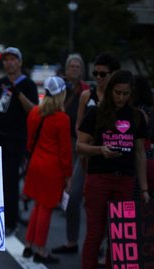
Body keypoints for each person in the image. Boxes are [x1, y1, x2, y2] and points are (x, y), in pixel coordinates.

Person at [76, 70, 150, 269]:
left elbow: (140, 153)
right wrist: (100, 150)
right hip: (99, 177)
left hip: (125, 180)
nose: (121, 98)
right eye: (117, 92)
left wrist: (145, 188)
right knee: (96, 231)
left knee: (119, 233)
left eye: (125, 94)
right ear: (110, 91)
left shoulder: (136, 117)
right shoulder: (96, 112)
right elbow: (80, 145)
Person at [53, 52, 120, 256]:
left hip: (109, 156)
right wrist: (85, 141)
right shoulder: (86, 95)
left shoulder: (117, 97)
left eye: (103, 74)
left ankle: (104, 246)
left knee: (105, 203)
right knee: (73, 196)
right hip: (85, 153)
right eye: (96, 73)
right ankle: (72, 241)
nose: (99, 77)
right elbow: (78, 124)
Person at [0, 47, 38, 235]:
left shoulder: (28, 84)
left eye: (12, 59)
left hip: (16, 137)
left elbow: (33, 110)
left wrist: (18, 93)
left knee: (10, 180)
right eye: (6, 60)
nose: (9, 63)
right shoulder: (0, 82)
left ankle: (10, 221)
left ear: (20, 62)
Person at [21, 76, 72, 263]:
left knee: (38, 206)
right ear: (61, 95)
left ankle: (28, 245)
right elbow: (65, 151)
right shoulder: (62, 119)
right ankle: (40, 250)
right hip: (52, 168)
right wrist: (68, 176)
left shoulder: (34, 112)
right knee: (47, 208)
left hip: (35, 163)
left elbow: (29, 141)